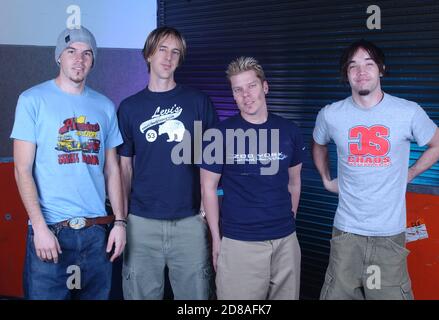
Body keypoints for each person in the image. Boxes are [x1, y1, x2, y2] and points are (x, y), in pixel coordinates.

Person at [312, 39, 439, 300]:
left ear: (381, 69)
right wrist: (326, 179)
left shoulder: (407, 112)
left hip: (388, 236)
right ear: (346, 74)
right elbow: (318, 144)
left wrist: (409, 174)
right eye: (353, 66)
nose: (361, 72)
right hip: (346, 234)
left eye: (369, 64)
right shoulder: (330, 114)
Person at [11, 26, 126, 300]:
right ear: (58, 57)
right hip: (52, 232)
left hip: (96, 233)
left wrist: (120, 223)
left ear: (93, 61)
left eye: (87, 54)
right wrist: (39, 228)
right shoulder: (31, 100)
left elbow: (112, 170)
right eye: (71, 51)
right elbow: (22, 170)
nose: (79, 59)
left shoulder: (105, 107)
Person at [117, 26, 218, 300]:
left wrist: (205, 208)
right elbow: (124, 168)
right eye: (162, 49)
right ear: (149, 54)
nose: (168, 57)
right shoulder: (129, 107)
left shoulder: (198, 102)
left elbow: (213, 160)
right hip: (141, 224)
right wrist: (122, 219)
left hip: (189, 223)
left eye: (175, 52)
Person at [200, 56, 306, 300]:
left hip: (285, 243)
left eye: (251, 86)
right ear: (233, 95)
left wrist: (288, 223)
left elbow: (294, 182)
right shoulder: (219, 135)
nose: (246, 95)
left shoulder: (290, 131)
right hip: (240, 243)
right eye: (238, 90)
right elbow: (208, 188)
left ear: (265, 87)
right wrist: (217, 240)